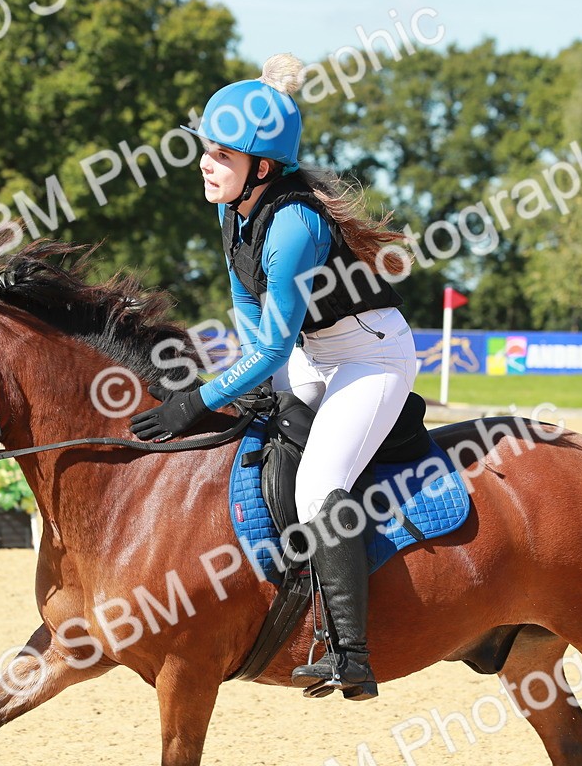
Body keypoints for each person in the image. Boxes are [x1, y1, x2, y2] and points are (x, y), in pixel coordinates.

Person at [130, 54, 418, 701]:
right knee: (258, 433)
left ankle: (351, 654)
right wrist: (231, 390)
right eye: (207, 149)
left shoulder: (293, 224)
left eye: (222, 154)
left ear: (262, 166)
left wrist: (193, 402)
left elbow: (271, 347)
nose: (207, 162)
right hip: (310, 353)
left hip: (369, 355)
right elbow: (249, 316)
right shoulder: (232, 208)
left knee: (320, 483)